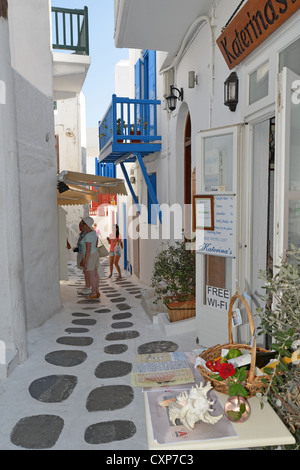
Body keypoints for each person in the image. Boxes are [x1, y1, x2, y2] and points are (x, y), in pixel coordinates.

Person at [81, 216, 100, 299]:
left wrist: (85, 261)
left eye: (82, 224)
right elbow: (96, 244)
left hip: (91, 255)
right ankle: (97, 291)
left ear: (86, 225)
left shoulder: (88, 235)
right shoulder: (93, 232)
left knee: (92, 275)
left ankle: (93, 293)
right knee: (95, 274)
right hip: (95, 253)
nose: (82, 225)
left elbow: (88, 249)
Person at [75, 220, 91, 296]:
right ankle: (86, 286)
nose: (80, 227)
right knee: (85, 271)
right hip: (82, 253)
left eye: (81, 226)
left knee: (87, 271)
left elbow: (88, 247)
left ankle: (89, 287)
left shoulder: (88, 234)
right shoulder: (82, 234)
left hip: (85, 254)